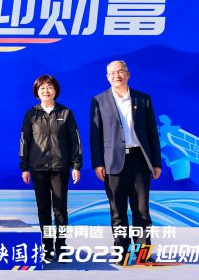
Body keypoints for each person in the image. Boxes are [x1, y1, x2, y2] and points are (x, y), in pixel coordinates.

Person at [90, 60, 161, 259]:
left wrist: (156, 162)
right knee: (117, 211)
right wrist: (98, 163)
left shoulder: (143, 99)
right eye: (112, 73)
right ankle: (121, 252)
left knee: (142, 211)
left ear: (128, 74)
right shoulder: (99, 100)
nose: (117, 76)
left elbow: (152, 132)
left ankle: (143, 253)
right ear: (107, 77)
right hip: (113, 162)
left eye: (120, 72)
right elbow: (95, 135)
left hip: (140, 160)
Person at [19, 74, 82, 262]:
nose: (46, 91)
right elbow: (24, 142)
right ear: (37, 92)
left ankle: (61, 247)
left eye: (49, 87)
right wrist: (24, 167)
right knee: (43, 209)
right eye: (42, 88)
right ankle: (46, 247)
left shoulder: (66, 113)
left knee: (60, 209)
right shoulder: (31, 114)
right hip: (38, 168)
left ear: (55, 90)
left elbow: (75, 141)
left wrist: (76, 165)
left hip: (60, 168)